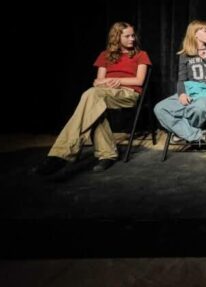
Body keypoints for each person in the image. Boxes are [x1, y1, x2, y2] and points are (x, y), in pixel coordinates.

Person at [35, 22, 152, 175]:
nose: (132, 38)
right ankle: (107, 154)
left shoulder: (140, 55)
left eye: (133, 35)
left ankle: (59, 154)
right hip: (103, 93)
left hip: (128, 93)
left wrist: (118, 81)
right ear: (117, 37)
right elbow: (98, 81)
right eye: (127, 36)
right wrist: (106, 83)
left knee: (91, 95)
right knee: (94, 104)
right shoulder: (105, 55)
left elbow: (138, 81)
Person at [154, 20, 206, 145]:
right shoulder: (185, 55)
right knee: (160, 108)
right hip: (190, 91)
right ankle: (197, 135)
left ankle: (182, 134)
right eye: (205, 31)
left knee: (199, 108)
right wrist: (181, 94)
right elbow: (181, 79)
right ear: (195, 34)